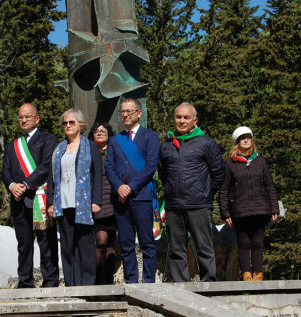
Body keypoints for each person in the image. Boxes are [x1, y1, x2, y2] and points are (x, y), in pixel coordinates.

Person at [158, 102, 225, 282]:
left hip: (199, 205)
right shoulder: (166, 146)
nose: (182, 121)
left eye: (186, 117)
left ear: (195, 120)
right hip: (174, 206)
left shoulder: (206, 143)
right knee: (176, 249)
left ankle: (208, 284)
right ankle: (180, 286)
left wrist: (204, 192)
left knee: (204, 247)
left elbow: (219, 174)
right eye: (178, 117)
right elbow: (163, 173)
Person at [1, 103, 59, 288]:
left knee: (46, 243)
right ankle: (25, 282)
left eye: (27, 117)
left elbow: (46, 166)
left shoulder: (48, 140)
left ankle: (50, 281)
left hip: (40, 199)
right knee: (23, 244)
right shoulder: (12, 146)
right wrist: (12, 186)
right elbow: (6, 170)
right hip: (18, 201)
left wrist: (25, 185)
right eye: (20, 117)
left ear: (37, 119)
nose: (23, 120)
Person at [105, 98, 160, 283]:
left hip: (142, 197)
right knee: (126, 244)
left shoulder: (150, 136)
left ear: (139, 113)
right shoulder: (115, 140)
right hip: (120, 199)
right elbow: (109, 168)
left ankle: (149, 282)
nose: (125, 115)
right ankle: (131, 283)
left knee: (147, 243)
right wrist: (119, 186)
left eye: (129, 111)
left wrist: (131, 187)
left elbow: (151, 166)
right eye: (122, 111)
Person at [47, 108, 102, 286]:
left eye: (72, 122)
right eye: (65, 123)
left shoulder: (91, 146)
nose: (68, 125)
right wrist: (50, 203)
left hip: (84, 205)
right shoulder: (59, 149)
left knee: (85, 246)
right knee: (67, 246)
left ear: (81, 125)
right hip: (63, 203)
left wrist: (96, 200)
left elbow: (98, 175)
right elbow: (51, 177)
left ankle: (87, 285)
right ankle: (71, 285)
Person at [218, 126, 279, 281]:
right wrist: (225, 213)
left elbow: (269, 186)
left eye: (248, 137)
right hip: (240, 210)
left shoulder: (260, 161)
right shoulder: (230, 163)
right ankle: (246, 275)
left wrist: (274, 208)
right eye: (242, 138)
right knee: (243, 243)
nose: (246, 140)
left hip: (261, 209)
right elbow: (224, 190)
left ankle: (258, 275)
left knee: (258, 242)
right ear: (237, 142)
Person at [88, 122, 117, 285]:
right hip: (96, 202)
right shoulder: (88, 153)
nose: (99, 133)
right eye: (96, 131)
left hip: (113, 202)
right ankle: (98, 282)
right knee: (101, 241)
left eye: (103, 131)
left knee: (111, 244)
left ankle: (109, 282)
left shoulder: (114, 153)